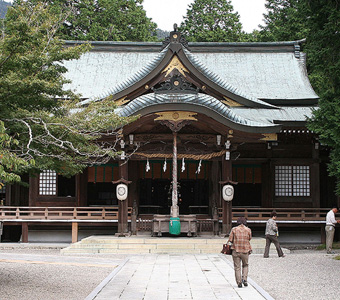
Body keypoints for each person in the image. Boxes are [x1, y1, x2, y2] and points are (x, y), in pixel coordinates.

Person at [227, 217, 252, 288]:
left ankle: (239, 282)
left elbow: (230, 239)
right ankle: (245, 279)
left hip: (236, 250)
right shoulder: (248, 230)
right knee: (245, 265)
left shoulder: (234, 229)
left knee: (237, 267)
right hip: (245, 250)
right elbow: (250, 238)